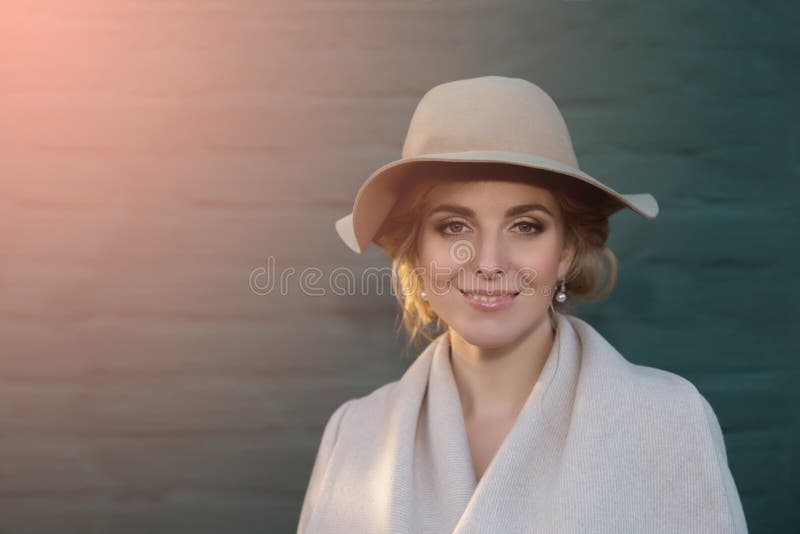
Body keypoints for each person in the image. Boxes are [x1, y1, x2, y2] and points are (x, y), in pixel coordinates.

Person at [297, 76, 748, 533]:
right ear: (416, 253)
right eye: (454, 227)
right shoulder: (353, 434)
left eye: (526, 226)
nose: (489, 263)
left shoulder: (670, 422)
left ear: (566, 252)